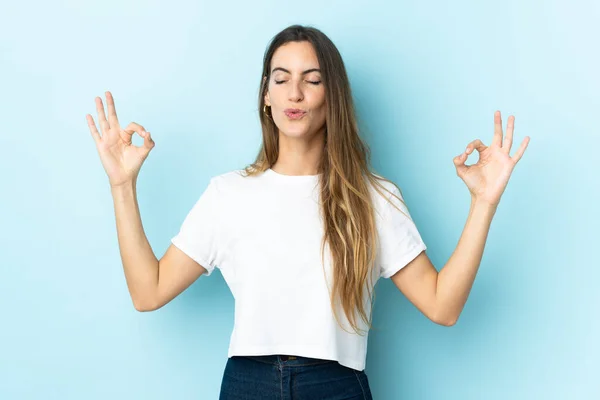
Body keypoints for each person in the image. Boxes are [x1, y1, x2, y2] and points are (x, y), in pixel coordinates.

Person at [86, 24, 530, 400]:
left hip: (336, 383)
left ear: (331, 95)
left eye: (312, 79)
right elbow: (148, 292)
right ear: (266, 95)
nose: (294, 92)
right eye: (281, 79)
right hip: (247, 383)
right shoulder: (227, 194)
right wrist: (122, 184)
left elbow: (442, 305)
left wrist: (483, 203)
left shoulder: (374, 196)